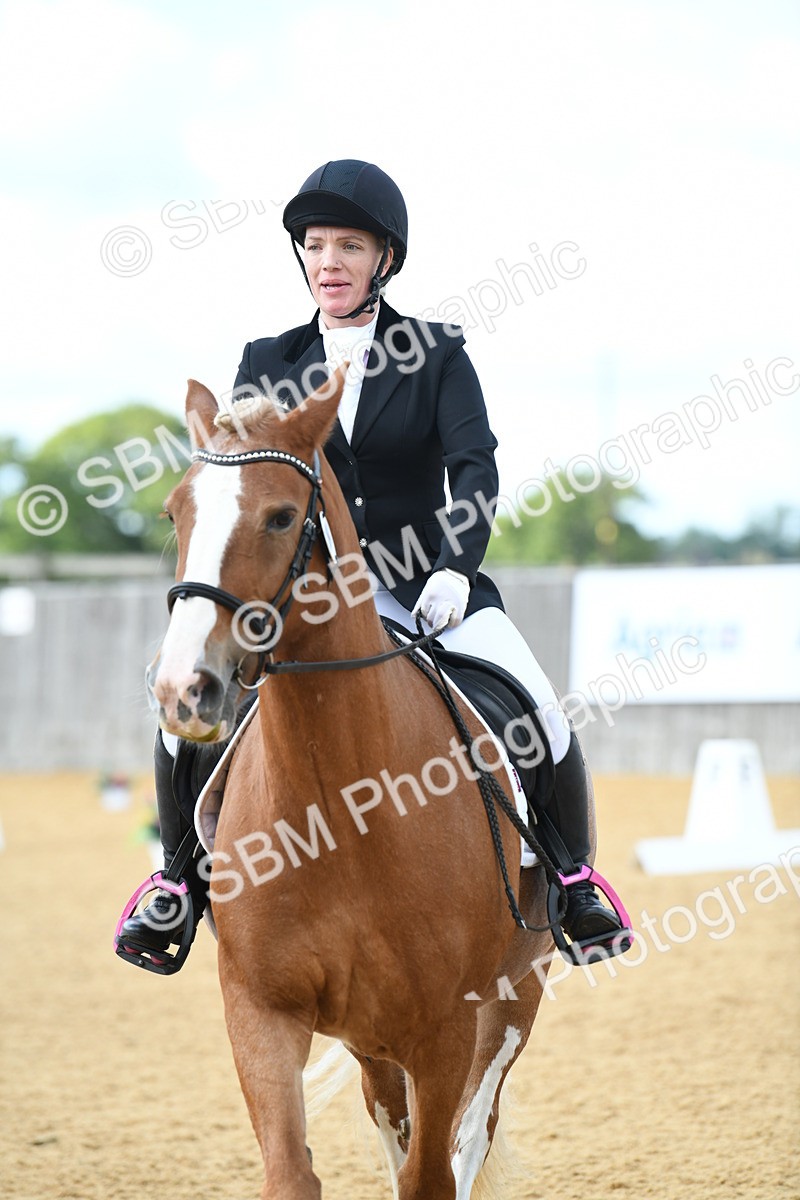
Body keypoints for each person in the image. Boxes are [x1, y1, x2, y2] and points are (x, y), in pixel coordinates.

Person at [119, 159, 624, 963]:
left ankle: (571, 880)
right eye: (316, 245)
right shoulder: (267, 358)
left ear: (384, 259)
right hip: (303, 597)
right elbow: (242, 486)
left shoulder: (435, 353)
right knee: (185, 721)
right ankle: (178, 885)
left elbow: (476, 464)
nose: (329, 263)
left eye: (349, 246)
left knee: (541, 711)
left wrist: (457, 567)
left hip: (430, 585)